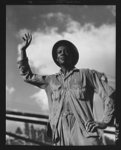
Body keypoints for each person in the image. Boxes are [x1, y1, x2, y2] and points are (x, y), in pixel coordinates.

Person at [17, 33, 115, 145]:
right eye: (59, 52)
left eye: (66, 51)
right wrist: (22, 50)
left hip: (84, 130)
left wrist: (104, 122)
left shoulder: (86, 74)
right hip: (60, 131)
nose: (62, 53)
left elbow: (109, 94)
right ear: (57, 59)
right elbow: (27, 76)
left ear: (72, 56)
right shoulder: (50, 80)